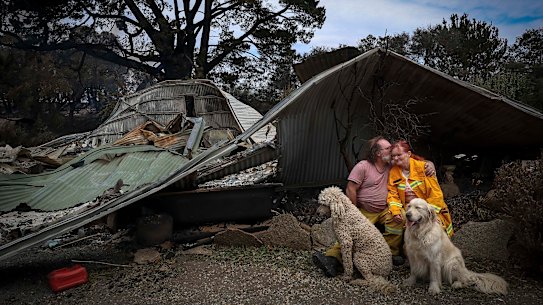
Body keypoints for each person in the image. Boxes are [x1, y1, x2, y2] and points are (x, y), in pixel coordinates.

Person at [313, 136, 435, 277]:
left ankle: (390, 254)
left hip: (386, 209)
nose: (392, 150)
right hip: (364, 211)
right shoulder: (363, 166)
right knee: (348, 233)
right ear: (378, 153)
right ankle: (332, 260)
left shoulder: (393, 165)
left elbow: (413, 161)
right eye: (388, 148)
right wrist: (354, 210)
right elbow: (350, 189)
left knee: (399, 217)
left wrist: (429, 163)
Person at [387, 140, 454, 238]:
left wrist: (427, 214)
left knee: (434, 229)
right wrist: (396, 211)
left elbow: (436, 195)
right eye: (393, 156)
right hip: (408, 208)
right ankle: (396, 251)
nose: (395, 158)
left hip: (427, 208)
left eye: (399, 155)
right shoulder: (393, 172)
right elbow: (393, 195)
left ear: (409, 154)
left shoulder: (424, 168)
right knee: (395, 221)